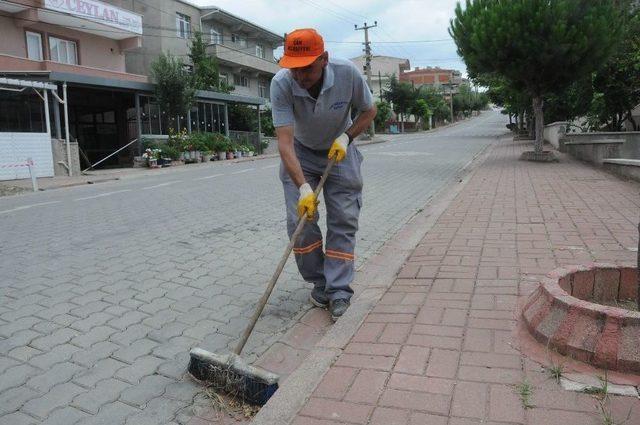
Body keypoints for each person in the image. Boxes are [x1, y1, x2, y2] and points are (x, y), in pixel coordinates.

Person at [270, 28, 377, 321]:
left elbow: (369, 111)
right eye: (294, 69)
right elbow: (285, 143)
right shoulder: (281, 84)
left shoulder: (347, 74)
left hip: (339, 149)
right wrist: (303, 187)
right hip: (301, 153)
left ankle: (339, 289)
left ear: (324, 59)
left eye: (307, 69)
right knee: (300, 223)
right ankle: (321, 283)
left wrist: (347, 137)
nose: (300, 77)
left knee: (343, 218)